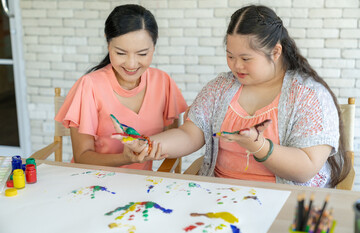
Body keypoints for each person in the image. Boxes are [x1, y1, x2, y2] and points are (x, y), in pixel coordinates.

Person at [113, 5, 350, 187]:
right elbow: (190, 134)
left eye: (246, 58)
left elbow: (306, 168)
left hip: (286, 203)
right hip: (221, 197)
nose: (236, 66)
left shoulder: (309, 95)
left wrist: (260, 147)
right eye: (230, 56)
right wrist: (152, 144)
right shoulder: (220, 87)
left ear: (275, 51)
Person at [55, 4, 188, 170]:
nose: (131, 64)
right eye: (120, 53)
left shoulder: (163, 82)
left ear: (154, 46)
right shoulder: (89, 85)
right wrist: (124, 158)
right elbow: (82, 157)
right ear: (108, 44)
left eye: (142, 54)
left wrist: (156, 149)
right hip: (92, 182)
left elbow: (175, 141)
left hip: (140, 186)